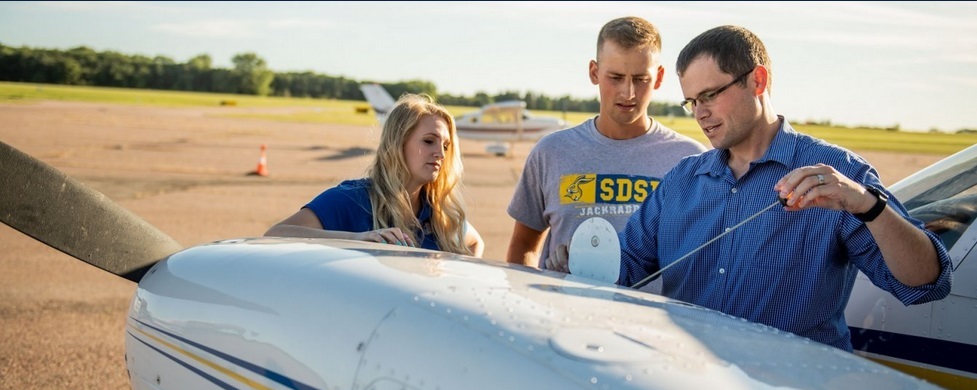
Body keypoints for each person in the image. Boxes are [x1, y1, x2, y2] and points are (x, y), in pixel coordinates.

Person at [605, 25, 951, 351]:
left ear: (757, 80)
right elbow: (624, 268)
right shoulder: (682, 180)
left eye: (710, 95)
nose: (700, 113)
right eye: (692, 101)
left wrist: (868, 205)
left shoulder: (840, 174)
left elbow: (925, 284)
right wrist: (579, 262)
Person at [506, 16, 707, 269]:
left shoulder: (689, 159)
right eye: (615, 77)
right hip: (563, 308)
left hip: (650, 310)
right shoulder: (551, 152)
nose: (628, 92)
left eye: (640, 79)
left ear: (659, 77)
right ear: (594, 72)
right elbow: (523, 246)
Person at [265, 93, 484, 257]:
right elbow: (274, 236)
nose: (440, 153)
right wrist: (357, 240)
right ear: (398, 143)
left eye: (446, 146)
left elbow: (475, 242)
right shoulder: (353, 199)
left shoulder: (439, 213)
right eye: (429, 141)